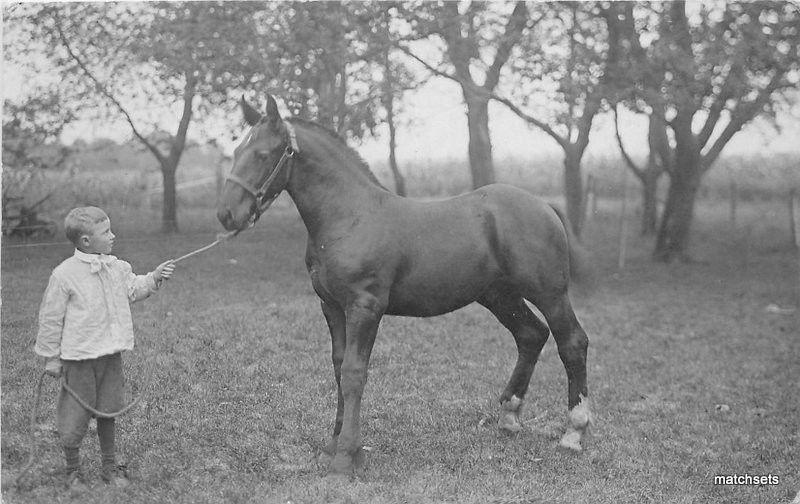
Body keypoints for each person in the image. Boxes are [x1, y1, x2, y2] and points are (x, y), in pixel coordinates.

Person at [35, 206, 175, 492]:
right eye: (106, 232)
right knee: (75, 414)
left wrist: (155, 277)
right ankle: (73, 472)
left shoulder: (117, 267)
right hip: (78, 359)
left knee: (109, 410)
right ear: (86, 241)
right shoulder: (64, 275)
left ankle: (109, 467)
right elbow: (51, 318)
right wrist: (51, 357)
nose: (114, 236)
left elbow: (134, 288)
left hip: (110, 356)